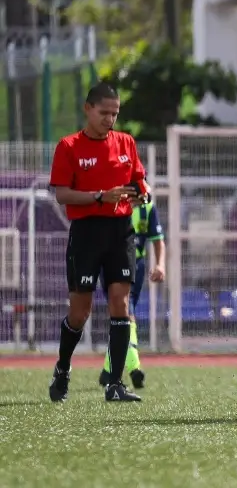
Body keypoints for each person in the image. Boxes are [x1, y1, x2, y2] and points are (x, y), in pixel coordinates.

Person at [48, 82, 149, 402]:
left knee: (121, 304)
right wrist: (99, 197)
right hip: (87, 234)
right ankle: (63, 368)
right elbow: (62, 194)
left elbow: (139, 181)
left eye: (115, 113)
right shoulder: (69, 146)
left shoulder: (126, 143)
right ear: (87, 109)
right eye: (104, 112)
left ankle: (115, 385)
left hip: (121, 232)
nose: (110, 119)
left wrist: (140, 193)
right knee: (80, 313)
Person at [98, 199, 165, 389]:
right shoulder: (113, 201)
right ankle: (134, 367)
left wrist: (160, 264)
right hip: (111, 263)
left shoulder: (148, 207)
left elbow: (158, 240)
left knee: (124, 312)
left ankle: (108, 369)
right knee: (125, 312)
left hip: (137, 264)